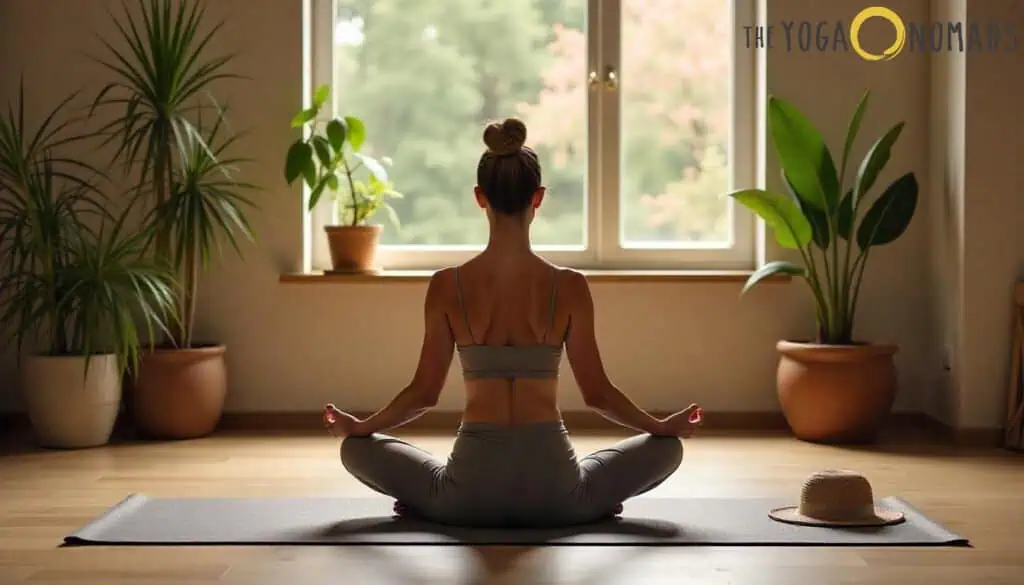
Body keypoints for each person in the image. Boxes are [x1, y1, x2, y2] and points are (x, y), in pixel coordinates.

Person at [323, 117, 703, 529]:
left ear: (479, 198)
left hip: (465, 498)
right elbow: (598, 394)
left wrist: (361, 427)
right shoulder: (570, 286)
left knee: (354, 450)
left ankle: (432, 504)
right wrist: (660, 426)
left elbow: (423, 394)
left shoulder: (446, 285)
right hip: (559, 496)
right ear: (537, 198)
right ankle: (589, 503)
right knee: (668, 449)